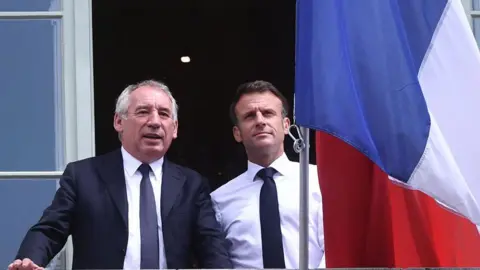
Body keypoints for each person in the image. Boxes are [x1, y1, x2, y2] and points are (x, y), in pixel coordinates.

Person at [9, 80, 232, 270]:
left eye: (163, 114)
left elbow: (210, 243)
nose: (154, 122)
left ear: (174, 129)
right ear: (118, 122)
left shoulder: (191, 184)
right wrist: (29, 260)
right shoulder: (83, 176)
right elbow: (50, 230)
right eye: (143, 112)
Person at [210, 80, 325, 268]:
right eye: (249, 116)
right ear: (237, 133)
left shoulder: (318, 180)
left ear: (286, 125)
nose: (260, 121)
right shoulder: (219, 200)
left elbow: (335, 248)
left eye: (268, 113)